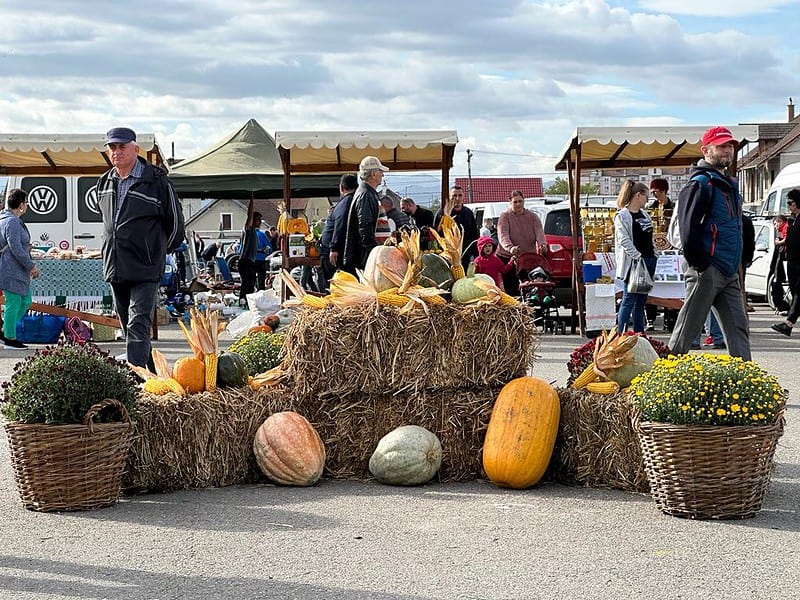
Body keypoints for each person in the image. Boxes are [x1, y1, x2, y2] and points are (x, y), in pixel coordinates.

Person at [96, 127, 184, 367]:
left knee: (138, 323)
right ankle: (152, 374)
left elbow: (176, 226)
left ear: (136, 149)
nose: (116, 152)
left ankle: (135, 380)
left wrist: (156, 252)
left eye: (122, 146)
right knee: (128, 325)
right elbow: (108, 224)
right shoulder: (103, 183)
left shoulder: (156, 182)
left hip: (145, 267)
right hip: (116, 265)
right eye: (112, 147)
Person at [668, 126, 751, 360]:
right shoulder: (700, 184)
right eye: (721, 146)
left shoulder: (727, 184)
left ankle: (746, 382)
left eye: (730, 146)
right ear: (705, 150)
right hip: (707, 270)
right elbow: (687, 229)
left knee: (738, 329)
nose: (727, 151)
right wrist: (702, 265)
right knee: (686, 330)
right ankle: (662, 383)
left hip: (729, 270)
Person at [613, 180, 656, 333]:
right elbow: (624, 239)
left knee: (641, 300)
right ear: (638, 195)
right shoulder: (622, 216)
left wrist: (654, 253)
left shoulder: (644, 214)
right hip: (634, 262)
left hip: (649, 259)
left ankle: (639, 332)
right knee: (628, 298)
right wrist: (637, 256)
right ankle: (621, 333)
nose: (647, 200)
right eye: (646, 196)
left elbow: (650, 235)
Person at [0, 189, 41, 349]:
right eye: (26, 203)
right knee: (14, 302)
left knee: (26, 301)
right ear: (21, 205)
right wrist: (31, 266)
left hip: (15, 269)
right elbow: (15, 247)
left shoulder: (9, 219)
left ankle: (6, 328)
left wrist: (26, 247)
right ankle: (9, 338)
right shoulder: (11, 221)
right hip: (11, 269)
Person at [496, 190, 547, 296]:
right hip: (508, 256)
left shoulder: (533, 216)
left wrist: (542, 244)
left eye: (520, 201)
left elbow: (539, 232)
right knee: (512, 288)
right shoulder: (505, 216)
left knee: (530, 284)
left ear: (524, 201)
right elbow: (503, 234)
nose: (518, 204)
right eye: (515, 202)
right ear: (510, 202)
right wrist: (510, 248)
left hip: (527, 257)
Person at [343, 156, 387, 274]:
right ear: (373, 174)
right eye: (380, 171)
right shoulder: (365, 195)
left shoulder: (368, 193)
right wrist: (375, 254)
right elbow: (365, 228)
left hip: (367, 257)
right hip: (365, 259)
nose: (382, 175)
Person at [645, 178, 677, 331]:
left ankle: (669, 319)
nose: (653, 194)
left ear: (663, 191)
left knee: (671, 286)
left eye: (655, 191)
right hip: (654, 250)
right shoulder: (649, 208)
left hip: (671, 251)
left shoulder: (674, 207)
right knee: (653, 284)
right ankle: (650, 319)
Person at [771, 188, 800, 336]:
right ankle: (788, 324)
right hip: (793, 263)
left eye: (791, 203)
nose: (788, 206)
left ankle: (788, 323)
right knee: (796, 292)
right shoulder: (793, 220)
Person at [434, 185, 479, 271]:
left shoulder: (468, 213)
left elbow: (474, 234)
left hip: (465, 254)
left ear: (463, 197)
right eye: (454, 195)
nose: (457, 198)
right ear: (450, 197)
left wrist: (476, 254)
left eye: (460, 195)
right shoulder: (442, 213)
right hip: (447, 254)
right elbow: (436, 233)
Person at [322, 174, 358, 281]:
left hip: (334, 254)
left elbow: (341, 224)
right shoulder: (351, 201)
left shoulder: (346, 203)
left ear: (341, 188)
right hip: (338, 251)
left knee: (333, 286)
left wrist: (334, 248)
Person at [238, 204, 259, 305]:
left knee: (251, 284)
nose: (259, 222)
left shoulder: (255, 232)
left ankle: (247, 302)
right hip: (245, 261)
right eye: (258, 219)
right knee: (247, 284)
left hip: (250, 261)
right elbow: (249, 215)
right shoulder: (249, 229)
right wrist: (252, 199)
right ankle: (243, 301)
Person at [770, 214, 789, 313]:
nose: (775, 226)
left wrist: (779, 242)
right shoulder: (782, 230)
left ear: (780, 222)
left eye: (775, 224)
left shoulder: (786, 227)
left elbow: (787, 239)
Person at [254, 218, 272, 290]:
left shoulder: (247, 235)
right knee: (261, 280)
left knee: (250, 281)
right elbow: (269, 248)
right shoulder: (261, 235)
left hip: (250, 260)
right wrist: (265, 252)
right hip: (261, 260)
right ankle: (260, 294)